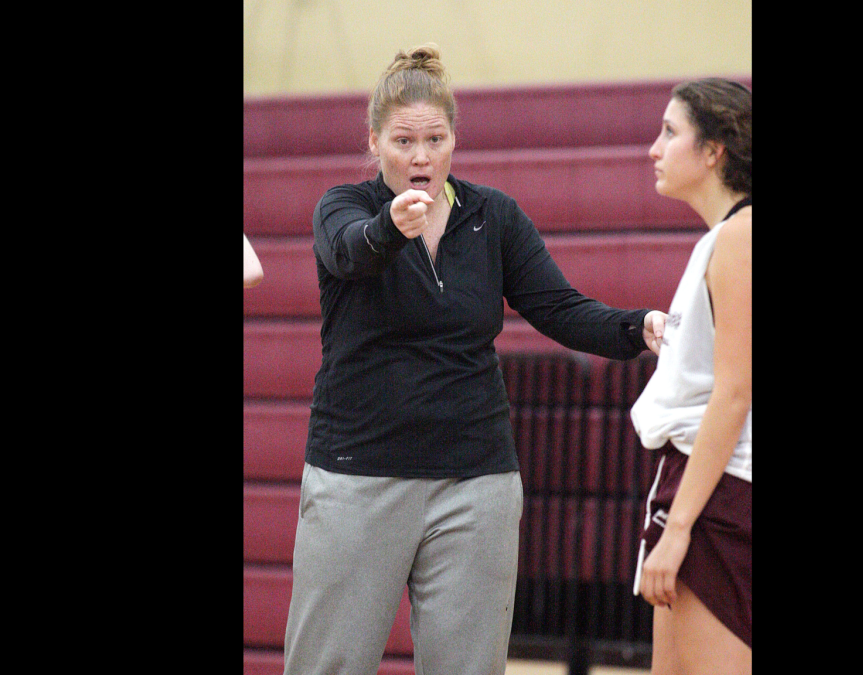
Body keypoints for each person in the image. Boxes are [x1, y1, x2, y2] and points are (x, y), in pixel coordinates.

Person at [282, 43, 666, 675]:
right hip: (359, 476)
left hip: (478, 479)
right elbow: (350, 253)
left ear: (455, 140)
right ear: (375, 142)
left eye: (435, 139)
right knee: (329, 663)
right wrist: (391, 227)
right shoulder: (342, 208)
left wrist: (639, 327)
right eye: (404, 141)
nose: (421, 156)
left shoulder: (494, 216)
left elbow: (560, 308)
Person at [629, 78, 752, 675]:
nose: (655, 148)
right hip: (699, 485)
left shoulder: (741, 236)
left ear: (713, 151)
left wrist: (678, 531)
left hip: (720, 493)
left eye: (670, 132)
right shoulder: (723, 238)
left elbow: (733, 394)